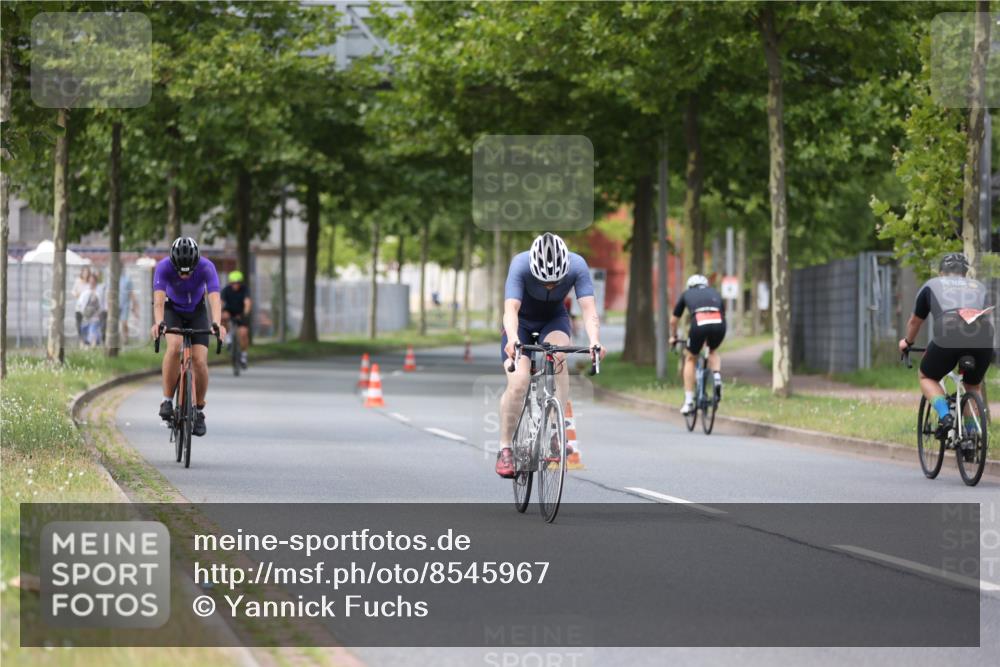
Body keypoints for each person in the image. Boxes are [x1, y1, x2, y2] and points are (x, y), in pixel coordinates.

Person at [495, 232, 605, 478]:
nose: (550, 287)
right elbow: (511, 308)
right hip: (520, 324)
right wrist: (512, 338)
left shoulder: (577, 265)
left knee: (558, 357)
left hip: (554, 320)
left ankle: (556, 430)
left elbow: (589, 310)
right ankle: (505, 449)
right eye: (544, 281)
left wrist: (595, 341)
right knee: (519, 381)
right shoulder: (520, 264)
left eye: (555, 282)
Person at [899, 252, 994, 449]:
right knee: (973, 387)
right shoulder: (979, 286)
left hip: (948, 334)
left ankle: (945, 416)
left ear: (941, 272)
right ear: (966, 272)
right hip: (983, 337)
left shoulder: (932, 284)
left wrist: (907, 342)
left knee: (926, 376)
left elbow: (915, 321)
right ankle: (971, 437)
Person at [150, 237, 226, 437]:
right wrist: (159, 323)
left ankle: (199, 410)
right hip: (172, 309)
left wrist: (217, 323)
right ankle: (167, 400)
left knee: (200, 361)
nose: (184, 276)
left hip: (197, 312)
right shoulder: (163, 267)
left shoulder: (207, 267)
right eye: (180, 271)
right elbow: (158, 303)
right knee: (174, 347)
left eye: (189, 272)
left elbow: (215, 300)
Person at [670, 274, 726, 415]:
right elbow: (721, 312)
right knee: (712, 351)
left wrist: (673, 336)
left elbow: (673, 320)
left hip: (700, 322)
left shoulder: (687, 294)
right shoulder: (715, 292)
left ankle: (689, 402)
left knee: (690, 358)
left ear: (690, 286)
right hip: (719, 322)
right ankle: (717, 377)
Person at [220, 270, 252, 369]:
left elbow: (247, 303)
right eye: (233, 283)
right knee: (223, 317)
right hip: (229, 311)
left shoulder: (245, 290)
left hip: (241, 313)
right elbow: (220, 302)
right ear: (230, 283)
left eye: (238, 283)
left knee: (243, 333)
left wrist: (245, 314)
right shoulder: (226, 290)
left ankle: (243, 355)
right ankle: (228, 338)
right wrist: (219, 312)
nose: (236, 285)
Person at [76, 273, 103, 348]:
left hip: (95, 316)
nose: (91, 282)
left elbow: (100, 304)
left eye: (93, 281)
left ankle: (93, 346)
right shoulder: (85, 291)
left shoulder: (98, 291)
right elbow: (81, 303)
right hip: (86, 315)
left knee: (93, 331)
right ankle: (83, 347)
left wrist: (99, 312)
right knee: (83, 331)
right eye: (90, 281)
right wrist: (82, 311)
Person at [72, 266, 92, 342]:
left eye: (87, 272)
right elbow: (73, 291)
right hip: (79, 306)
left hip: (88, 307)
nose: (85, 274)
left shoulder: (90, 282)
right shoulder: (78, 281)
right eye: (84, 272)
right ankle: (81, 339)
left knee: (87, 323)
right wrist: (77, 294)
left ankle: (87, 339)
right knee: (78, 323)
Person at [118, 270, 138, 345]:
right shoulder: (113, 279)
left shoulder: (127, 279)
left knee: (124, 323)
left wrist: (134, 305)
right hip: (115, 306)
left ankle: (125, 339)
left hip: (125, 305)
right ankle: (118, 340)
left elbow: (131, 293)